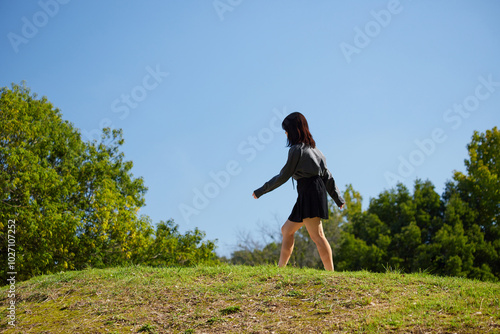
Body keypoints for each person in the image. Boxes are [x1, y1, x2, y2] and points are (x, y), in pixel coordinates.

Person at [252, 112, 345, 271]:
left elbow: (283, 176)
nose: (286, 134)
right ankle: (280, 270)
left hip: (310, 193)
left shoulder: (296, 150)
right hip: (310, 193)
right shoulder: (317, 151)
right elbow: (328, 177)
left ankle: (331, 275)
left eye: (286, 130)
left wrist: (261, 190)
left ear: (294, 130)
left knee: (318, 236)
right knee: (286, 230)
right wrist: (338, 199)